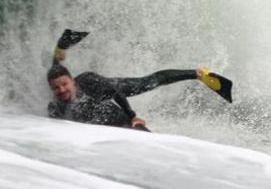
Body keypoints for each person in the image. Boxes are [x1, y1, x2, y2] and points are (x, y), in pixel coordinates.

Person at [46, 29, 232, 130]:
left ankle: (198, 73)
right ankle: (61, 48)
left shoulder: (88, 81)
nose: (61, 90)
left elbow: (116, 94)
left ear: (72, 81)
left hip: (110, 87)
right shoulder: (58, 102)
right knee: (55, 72)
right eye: (57, 88)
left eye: (64, 85)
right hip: (95, 100)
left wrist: (133, 116)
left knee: (147, 83)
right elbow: (56, 77)